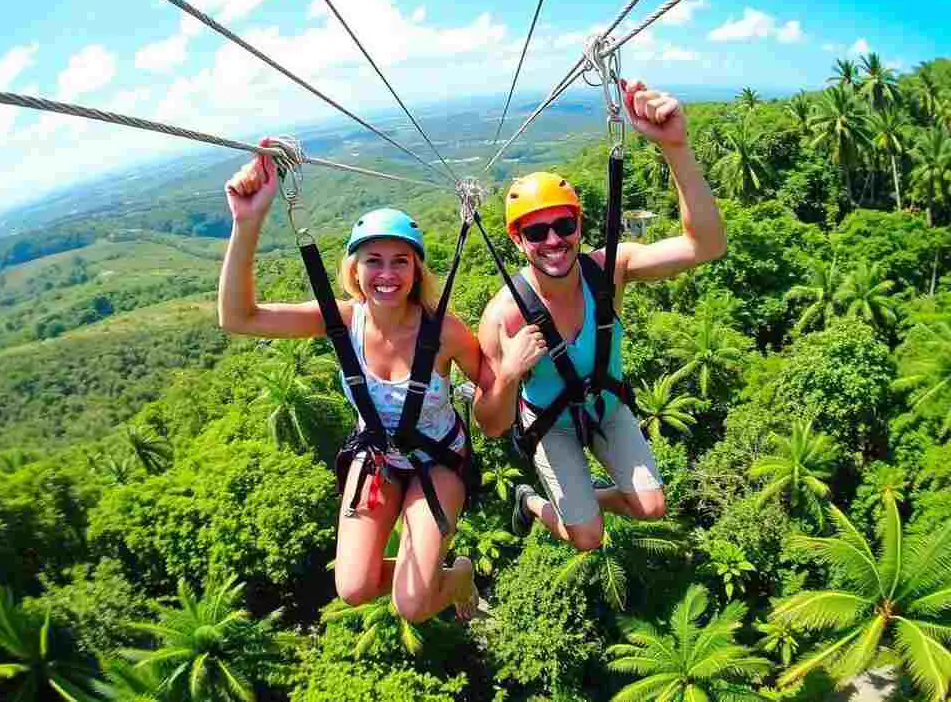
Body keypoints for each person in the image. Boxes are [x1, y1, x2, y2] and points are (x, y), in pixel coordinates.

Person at [217, 143, 483, 622]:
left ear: (417, 269)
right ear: (354, 271)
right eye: (373, 261)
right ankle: (428, 571)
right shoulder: (343, 321)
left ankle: (453, 574)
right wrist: (246, 221)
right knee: (354, 588)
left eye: (400, 261)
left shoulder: (443, 332)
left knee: (413, 606)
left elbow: (488, 382)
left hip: (437, 458)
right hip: (377, 454)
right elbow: (239, 317)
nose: (386, 274)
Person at [473, 80, 726, 551]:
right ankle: (532, 501)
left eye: (564, 225)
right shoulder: (502, 316)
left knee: (652, 507)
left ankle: (581, 499)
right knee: (587, 537)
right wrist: (509, 372)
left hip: (607, 407)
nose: (553, 241)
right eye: (536, 232)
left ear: (579, 225)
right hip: (551, 423)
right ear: (517, 240)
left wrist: (676, 148)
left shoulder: (609, 270)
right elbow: (489, 424)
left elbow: (705, 246)